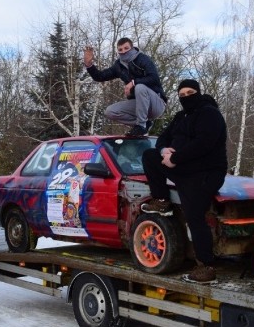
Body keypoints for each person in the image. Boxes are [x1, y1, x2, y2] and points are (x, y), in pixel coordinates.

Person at [140, 79, 229, 284]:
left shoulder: (210, 114)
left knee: (194, 216)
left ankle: (206, 267)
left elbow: (203, 144)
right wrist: (164, 150)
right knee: (150, 156)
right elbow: (163, 138)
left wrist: (175, 158)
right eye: (182, 95)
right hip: (182, 168)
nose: (186, 97)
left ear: (198, 92)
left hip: (205, 172)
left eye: (190, 92)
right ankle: (162, 201)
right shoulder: (181, 116)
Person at [83, 37, 166, 136]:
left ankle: (141, 126)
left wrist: (133, 82)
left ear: (132, 48)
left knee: (140, 87)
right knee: (110, 111)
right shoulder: (119, 66)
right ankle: (144, 123)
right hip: (139, 105)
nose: (123, 51)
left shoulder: (142, 59)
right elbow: (100, 76)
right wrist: (89, 65)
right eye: (120, 50)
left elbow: (154, 78)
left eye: (126, 48)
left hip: (156, 103)